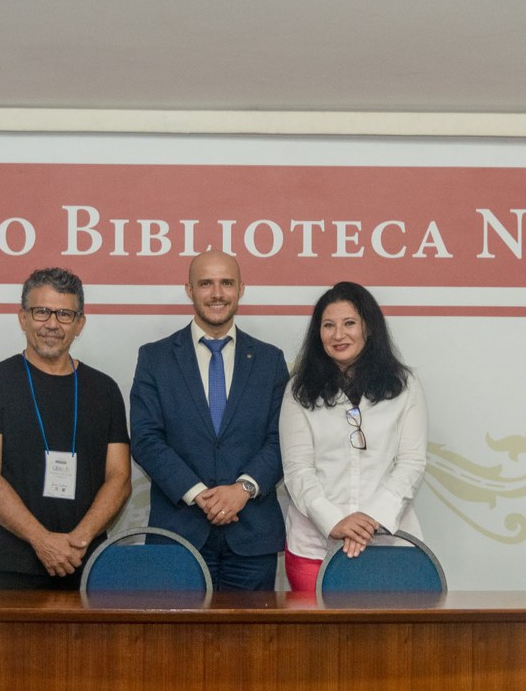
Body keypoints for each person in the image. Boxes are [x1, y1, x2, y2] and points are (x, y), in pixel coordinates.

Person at [0, 268, 132, 590]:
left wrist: (77, 543)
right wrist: (43, 541)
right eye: (41, 312)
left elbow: (120, 479)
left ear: (79, 323)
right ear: (22, 317)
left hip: (87, 566)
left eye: (64, 314)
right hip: (11, 567)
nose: (52, 324)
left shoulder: (104, 389)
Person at [130, 250, 289, 590]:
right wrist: (200, 494)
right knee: (178, 644)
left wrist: (243, 490)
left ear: (241, 289)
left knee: (251, 642)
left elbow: (282, 439)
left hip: (251, 538)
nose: (217, 293)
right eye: (206, 283)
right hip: (179, 534)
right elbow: (145, 438)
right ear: (189, 290)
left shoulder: (270, 360)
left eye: (226, 283)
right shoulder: (154, 358)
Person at [279, 281, 429, 592]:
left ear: (369, 328)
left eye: (349, 323)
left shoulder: (404, 385)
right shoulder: (298, 390)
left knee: (389, 640)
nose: (338, 335)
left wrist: (371, 518)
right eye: (328, 325)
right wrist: (333, 520)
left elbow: (411, 462)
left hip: (390, 543)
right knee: (316, 641)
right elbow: (297, 470)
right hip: (314, 548)